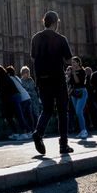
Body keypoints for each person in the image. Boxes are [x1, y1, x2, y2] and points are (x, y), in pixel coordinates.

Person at [29, 10, 74, 156]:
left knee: (47, 110)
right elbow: (68, 60)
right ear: (55, 23)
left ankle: (38, 133)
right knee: (62, 111)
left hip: (42, 79)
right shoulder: (61, 39)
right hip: (58, 79)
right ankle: (63, 145)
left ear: (44, 22)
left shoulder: (35, 38)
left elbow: (34, 59)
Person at [67, 57, 89, 138]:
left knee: (78, 111)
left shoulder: (82, 71)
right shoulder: (72, 72)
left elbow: (78, 81)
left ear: (78, 63)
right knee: (78, 112)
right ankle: (82, 130)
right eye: (72, 62)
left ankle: (84, 130)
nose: (72, 64)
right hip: (74, 93)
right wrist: (69, 75)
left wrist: (73, 73)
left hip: (82, 92)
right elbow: (71, 83)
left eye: (74, 62)